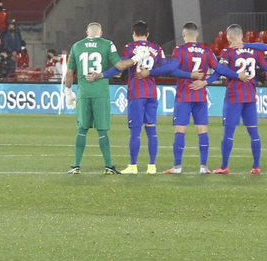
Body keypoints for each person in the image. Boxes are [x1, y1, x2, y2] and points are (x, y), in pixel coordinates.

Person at [107, 20, 177, 173]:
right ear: (148, 34)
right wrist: (151, 72)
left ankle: (133, 166)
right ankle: (152, 166)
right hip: (151, 91)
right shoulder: (156, 48)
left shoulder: (130, 47)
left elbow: (122, 66)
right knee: (151, 128)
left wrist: (103, 75)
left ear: (134, 34)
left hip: (136, 92)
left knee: (136, 130)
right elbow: (166, 67)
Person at [209, 24, 267, 175]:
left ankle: (224, 166)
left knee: (229, 132)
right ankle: (256, 166)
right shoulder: (254, 51)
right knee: (253, 131)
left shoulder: (228, 51)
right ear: (242, 36)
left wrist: (206, 81)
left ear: (230, 36)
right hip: (250, 95)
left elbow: (220, 69)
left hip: (234, 96)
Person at [63, 21, 123, 174]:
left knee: (82, 129)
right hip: (100, 93)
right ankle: (109, 166)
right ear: (101, 33)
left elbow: (69, 73)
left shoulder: (77, 46)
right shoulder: (107, 44)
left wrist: (68, 93)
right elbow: (119, 66)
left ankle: (76, 165)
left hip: (83, 93)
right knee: (102, 130)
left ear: (87, 32)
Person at [165, 22, 216, 174]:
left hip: (184, 94)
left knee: (180, 130)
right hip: (200, 95)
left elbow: (172, 70)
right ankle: (204, 166)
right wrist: (205, 82)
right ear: (197, 35)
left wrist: (188, 75)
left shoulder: (180, 50)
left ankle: (177, 166)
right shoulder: (206, 50)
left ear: (183, 34)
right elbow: (220, 70)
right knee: (202, 130)